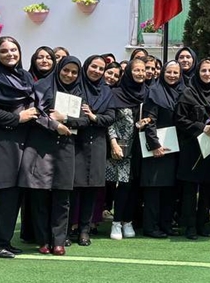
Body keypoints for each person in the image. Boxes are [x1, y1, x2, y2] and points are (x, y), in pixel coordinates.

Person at [0, 37, 39, 259]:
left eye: (14, 49)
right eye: (4, 51)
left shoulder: (24, 76)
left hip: (21, 141)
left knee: (15, 193)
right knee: (6, 192)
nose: (10, 54)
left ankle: (4, 240)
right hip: (0, 142)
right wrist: (17, 118)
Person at [22, 55, 83, 254]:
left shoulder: (80, 91)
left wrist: (66, 119)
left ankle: (58, 240)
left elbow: (85, 119)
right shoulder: (41, 87)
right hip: (41, 147)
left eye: (74, 72)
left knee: (62, 196)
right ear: (58, 69)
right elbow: (34, 114)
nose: (69, 75)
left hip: (66, 148)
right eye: (66, 70)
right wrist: (54, 124)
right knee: (40, 196)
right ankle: (42, 240)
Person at [175, 58, 210, 239]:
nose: (207, 74)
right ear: (198, 72)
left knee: (207, 189)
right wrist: (200, 127)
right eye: (204, 70)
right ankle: (189, 226)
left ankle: (202, 224)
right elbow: (179, 119)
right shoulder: (188, 92)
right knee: (190, 190)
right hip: (192, 148)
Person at [71, 55, 117, 246]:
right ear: (86, 66)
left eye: (100, 68)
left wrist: (94, 117)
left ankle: (84, 230)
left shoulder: (106, 91)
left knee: (91, 189)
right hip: (75, 143)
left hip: (97, 144)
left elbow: (111, 116)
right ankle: (68, 228)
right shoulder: (75, 86)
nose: (97, 71)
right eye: (93, 67)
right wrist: (86, 118)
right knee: (72, 188)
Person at [107, 58, 149, 240]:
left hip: (141, 146)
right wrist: (113, 142)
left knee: (135, 185)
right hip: (122, 146)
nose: (140, 73)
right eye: (136, 70)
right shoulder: (116, 93)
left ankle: (128, 221)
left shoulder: (147, 92)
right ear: (129, 72)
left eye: (143, 70)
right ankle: (116, 222)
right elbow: (110, 120)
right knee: (123, 185)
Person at [140, 59, 182, 239]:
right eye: (169, 72)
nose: (172, 75)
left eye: (176, 73)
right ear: (163, 73)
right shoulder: (154, 92)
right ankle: (151, 226)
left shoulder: (182, 91)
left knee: (169, 190)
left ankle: (166, 224)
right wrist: (155, 145)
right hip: (157, 148)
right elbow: (149, 121)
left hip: (174, 148)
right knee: (154, 189)